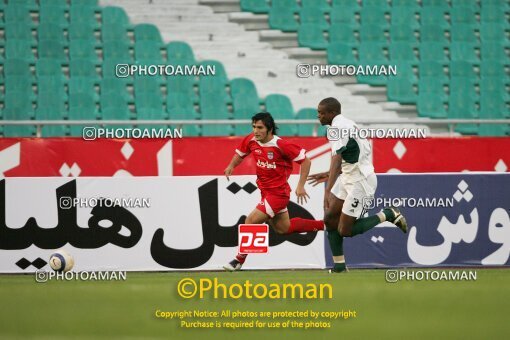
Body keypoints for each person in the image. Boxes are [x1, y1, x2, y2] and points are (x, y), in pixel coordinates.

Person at [307, 97, 407, 273]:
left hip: (360, 181)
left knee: (345, 229)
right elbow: (353, 155)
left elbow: (337, 159)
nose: (318, 116)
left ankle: (388, 214)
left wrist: (327, 189)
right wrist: (330, 174)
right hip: (349, 176)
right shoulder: (347, 124)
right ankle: (339, 266)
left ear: (332, 113)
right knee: (330, 218)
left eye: (321, 113)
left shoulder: (337, 128)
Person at [223, 112, 325, 271]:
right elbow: (240, 154)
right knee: (283, 228)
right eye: (254, 127)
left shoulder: (281, 145)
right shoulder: (251, 140)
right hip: (265, 192)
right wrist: (231, 166)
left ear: (269, 129)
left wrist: (300, 186)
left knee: (250, 221)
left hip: (278, 194)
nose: (255, 131)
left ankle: (238, 260)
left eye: (260, 127)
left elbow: (306, 161)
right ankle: (325, 225)